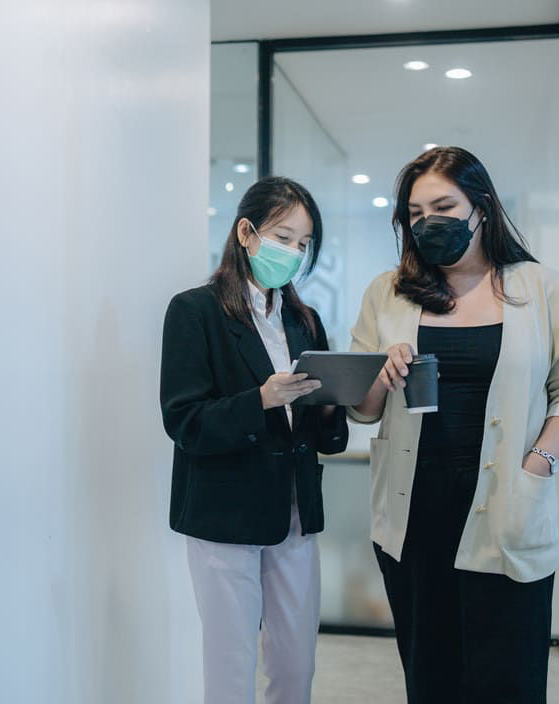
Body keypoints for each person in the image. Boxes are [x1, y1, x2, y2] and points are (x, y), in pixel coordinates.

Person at [349, 147, 559, 703]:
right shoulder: (387, 292)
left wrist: (541, 462)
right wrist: (381, 372)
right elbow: (362, 409)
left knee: (509, 679)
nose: (428, 223)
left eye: (443, 207)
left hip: (507, 503)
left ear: (481, 208)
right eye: (415, 214)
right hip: (414, 512)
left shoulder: (542, 288)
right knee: (431, 678)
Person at [160, 176, 348, 704]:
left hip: (294, 513)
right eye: (283, 237)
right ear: (246, 233)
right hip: (225, 515)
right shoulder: (195, 311)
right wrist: (261, 399)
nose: (293, 253)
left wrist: (331, 402)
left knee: (296, 665)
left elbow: (323, 433)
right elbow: (184, 421)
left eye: (303, 244)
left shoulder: (304, 320)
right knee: (231, 663)